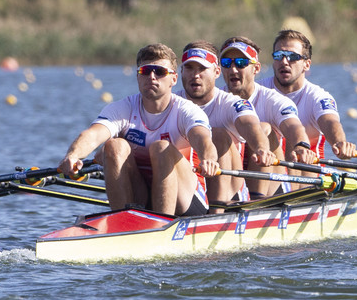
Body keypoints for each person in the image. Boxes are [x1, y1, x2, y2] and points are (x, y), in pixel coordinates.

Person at [59, 43, 219, 216]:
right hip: (142, 193)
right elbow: (94, 134)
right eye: (145, 71)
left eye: (159, 72)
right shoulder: (123, 108)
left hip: (186, 199)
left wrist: (208, 159)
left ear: (173, 79)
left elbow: (202, 138)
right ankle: (122, 219)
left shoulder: (186, 110)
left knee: (161, 148)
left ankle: (160, 224)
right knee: (113, 146)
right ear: (137, 76)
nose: (151, 77)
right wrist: (73, 155)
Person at [175, 40, 276, 209]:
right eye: (190, 68)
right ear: (181, 71)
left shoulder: (232, 103)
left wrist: (261, 148)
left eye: (202, 69)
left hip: (230, 189)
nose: (195, 75)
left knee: (218, 134)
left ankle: (218, 212)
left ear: (216, 72)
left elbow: (251, 125)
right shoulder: (173, 103)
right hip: (190, 183)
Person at [219, 36, 317, 196]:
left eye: (241, 63)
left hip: (274, 184)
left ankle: (257, 200)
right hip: (234, 181)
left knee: (263, 128)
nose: (233, 69)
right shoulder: (216, 100)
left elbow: (293, 126)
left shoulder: (272, 99)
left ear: (256, 68)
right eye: (226, 63)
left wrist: (302, 146)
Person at [257, 29, 357, 160]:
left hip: (306, 175)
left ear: (307, 64)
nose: (284, 61)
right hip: (267, 172)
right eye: (279, 55)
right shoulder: (257, 91)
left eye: (292, 56)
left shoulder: (318, 97)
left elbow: (330, 122)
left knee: (291, 143)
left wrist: (340, 142)